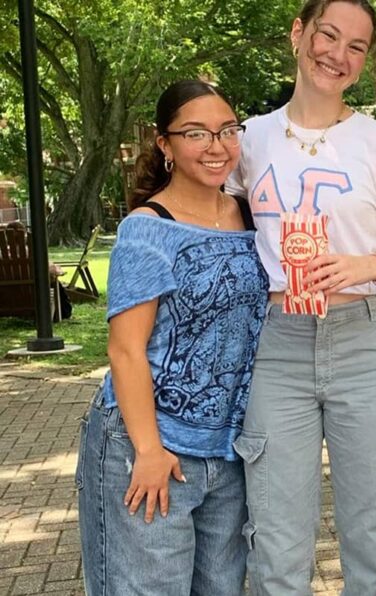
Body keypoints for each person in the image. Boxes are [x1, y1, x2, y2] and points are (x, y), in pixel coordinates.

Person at [223, 0, 376, 593]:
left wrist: (366, 264)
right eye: (327, 35)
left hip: (363, 340)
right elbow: (217, 228)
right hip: (275, 344)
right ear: (298, 34)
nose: (337, 54)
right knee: (277, 538)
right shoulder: (248, 139)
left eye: (355, 46)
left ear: (364, 62)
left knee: (374, 533)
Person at [76, 79, 267, 595]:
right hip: (147, 447)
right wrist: (149, 450)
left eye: (228, 130)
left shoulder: (252, 217)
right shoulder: (148, 228)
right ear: (165, 145)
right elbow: (125, 350)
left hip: (226, 455)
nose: (217, 146)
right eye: (196, 133)